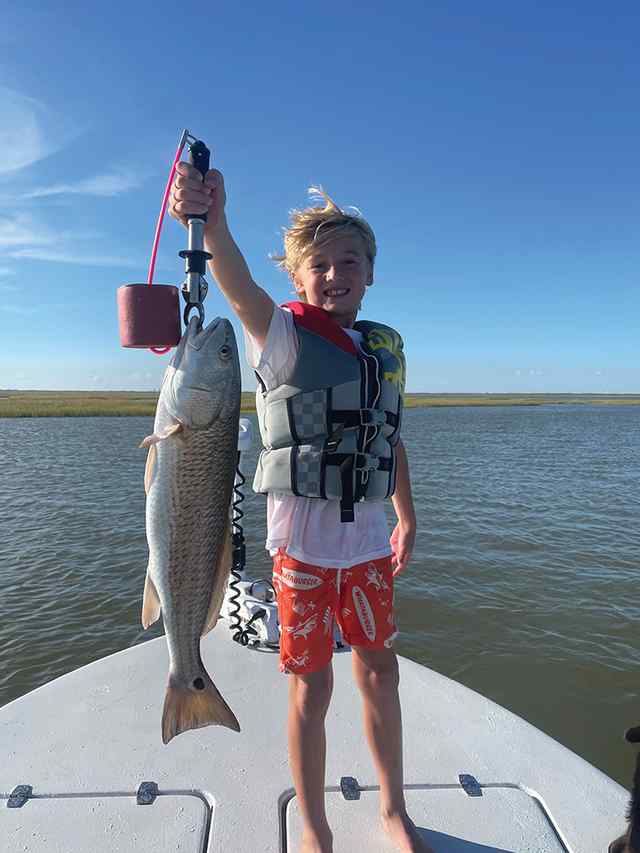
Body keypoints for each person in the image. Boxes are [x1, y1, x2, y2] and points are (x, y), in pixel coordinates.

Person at [169, 163, 433, 853]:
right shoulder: (282, 339)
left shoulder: (383, 351)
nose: (336, 272)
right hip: (303, 556)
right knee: (311, 689)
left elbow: (389, 439)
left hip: (369, 548)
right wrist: (213, 223)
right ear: (297, 277)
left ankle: (393, 809)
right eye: (319, 263)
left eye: (350, 260)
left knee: (380, 671)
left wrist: (407, 514)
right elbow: (235, 287)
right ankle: (313, 823)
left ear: (371, 272)